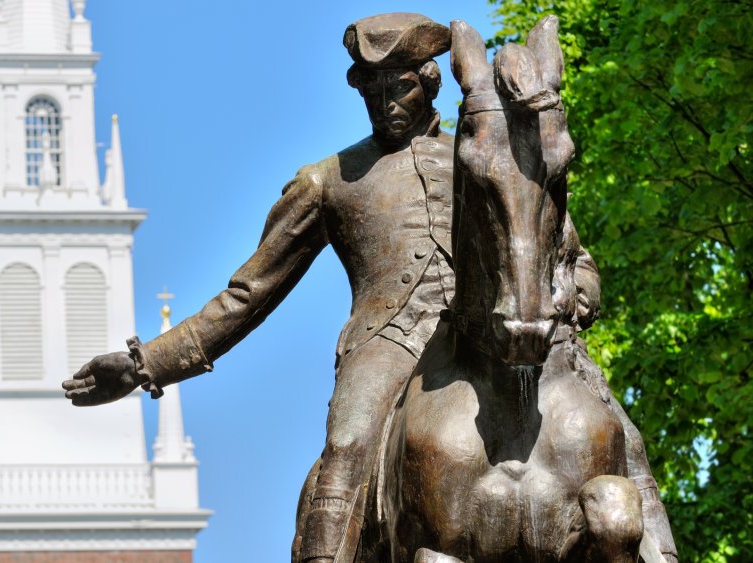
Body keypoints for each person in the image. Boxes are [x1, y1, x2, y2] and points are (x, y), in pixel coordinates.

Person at [63, 13, 605, 562]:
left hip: (493, 329)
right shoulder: (325, 182)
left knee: (605, 422)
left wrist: (582, 287)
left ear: (430, 80)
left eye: (399, 88)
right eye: (371, 91)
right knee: (347, 448)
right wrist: (143, 365)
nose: (385, 103)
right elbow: (248, 295)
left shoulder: (485, 153)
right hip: (389, 345)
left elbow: (564, 249)